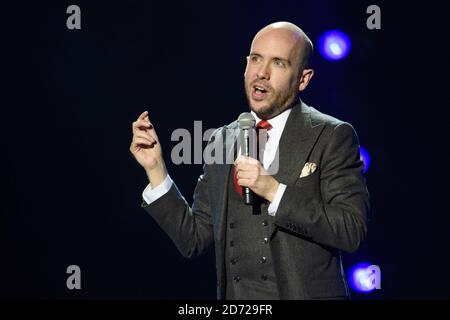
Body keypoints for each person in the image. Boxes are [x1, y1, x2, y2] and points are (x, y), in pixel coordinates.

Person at [130, 21, 369, 300]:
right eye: (256, 59)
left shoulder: (332, 135)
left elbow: (350, 230)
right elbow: (194, 239)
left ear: (303, 79)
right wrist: (155, 168)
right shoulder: (222, 139)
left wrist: (272, 190)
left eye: (278, 63)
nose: (262, 73)